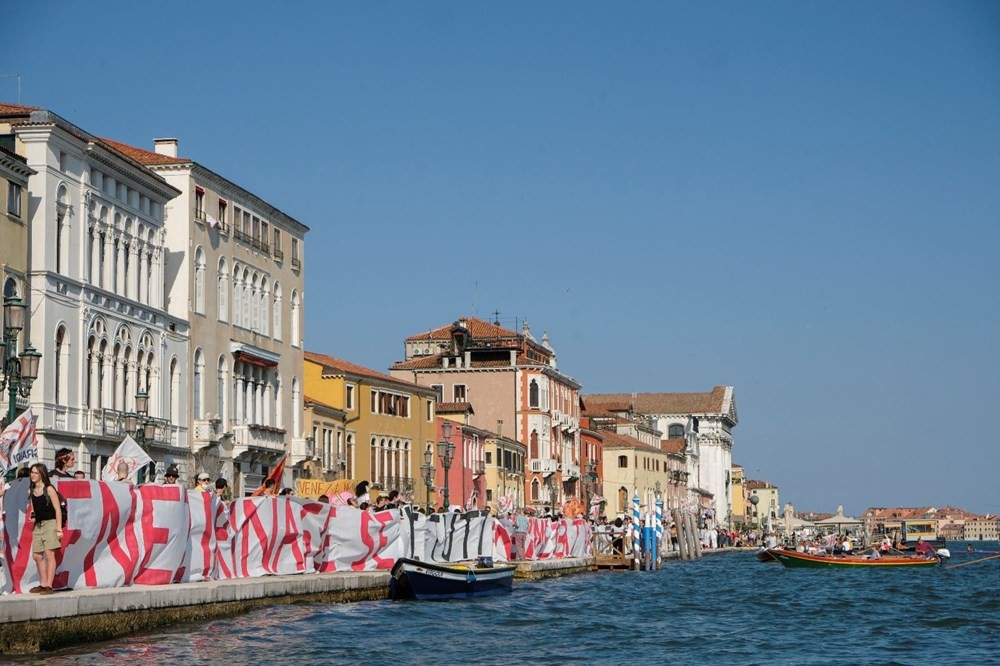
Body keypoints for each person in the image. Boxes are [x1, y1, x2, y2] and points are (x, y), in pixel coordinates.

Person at [28, 463, 63, 594]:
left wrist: (59, 529)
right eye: (32, 472)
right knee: (37, 555)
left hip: (51, 524)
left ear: (41, 474)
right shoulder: (31, 490)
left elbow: (57, 509)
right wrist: (33, 516)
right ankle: (42, 584)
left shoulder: (49, 489)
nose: (33, 475)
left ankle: (49, 585)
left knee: (49, 554)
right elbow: (33, 508)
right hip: (38, 525)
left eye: (36, 473)